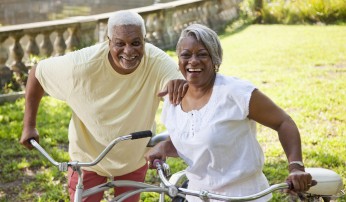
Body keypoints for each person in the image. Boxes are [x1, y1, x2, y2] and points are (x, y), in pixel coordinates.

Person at [19, 10, 187, 202]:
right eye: (120, 43)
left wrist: (179, 90)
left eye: (135, 43)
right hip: (88, 159)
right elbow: (37, 74)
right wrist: (29, 126)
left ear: (144, 40)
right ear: (108, 41)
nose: (129, 51)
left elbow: (184, 95)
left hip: (133, 158)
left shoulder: (156, 62)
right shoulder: (80, 66)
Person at [145, 24, 315, 202]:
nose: (193, 61)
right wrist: (164, 146)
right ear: (178, 61)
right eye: (186, 55)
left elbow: (283, 122)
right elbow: (196, 143)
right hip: (197, 196)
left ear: (215, 59)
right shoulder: (173, 101)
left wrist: (296, 167)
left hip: (244, 196)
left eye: (202, 54)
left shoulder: (236, 93)